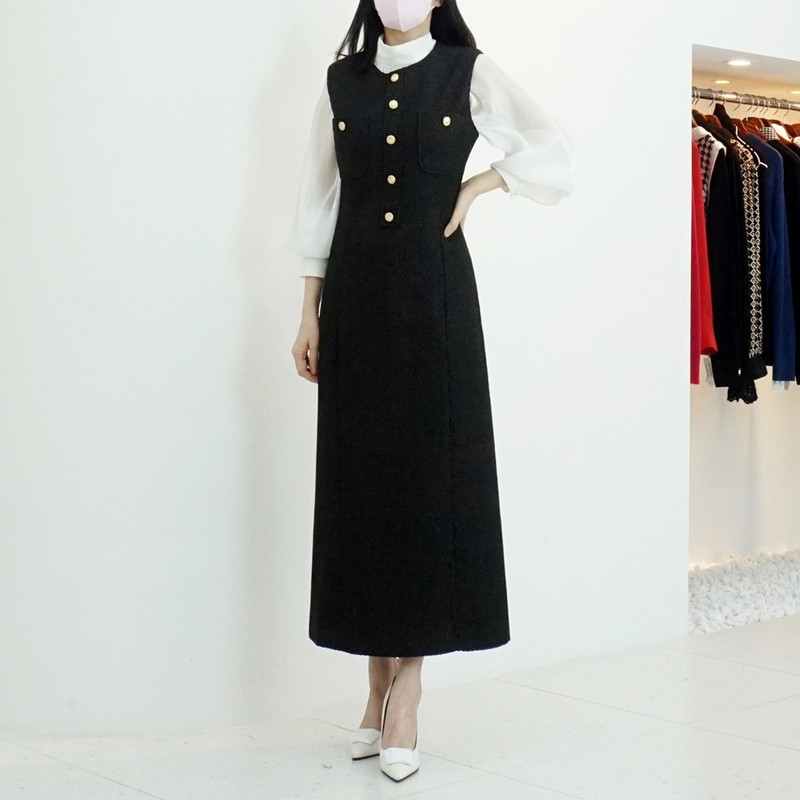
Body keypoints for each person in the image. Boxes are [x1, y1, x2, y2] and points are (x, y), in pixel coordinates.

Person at [287, 0, 575, 782]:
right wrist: (309, 312)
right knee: (363, 486)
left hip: (434, 299)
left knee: (422, 483)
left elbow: (551, 149)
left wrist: (479, 185)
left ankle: (407, 692)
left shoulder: (466, 72)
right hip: (355, 301)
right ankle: (374, 684)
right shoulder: (341, 82)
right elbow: (319, 199)